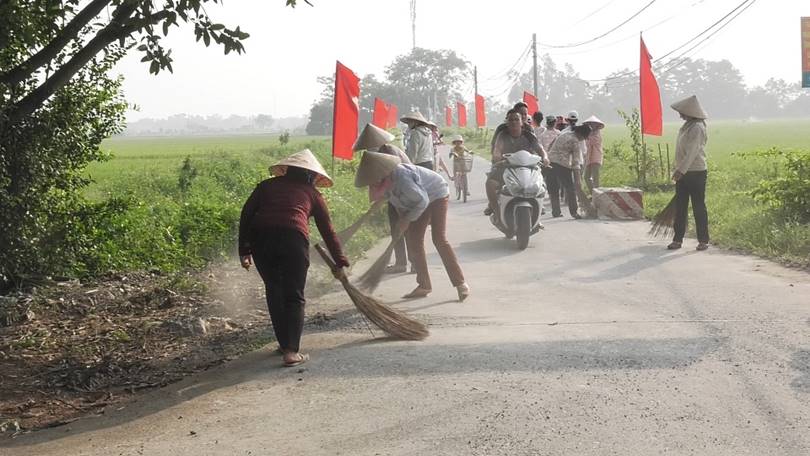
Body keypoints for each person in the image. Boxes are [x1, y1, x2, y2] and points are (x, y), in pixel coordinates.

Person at [238, 149, 348, 367]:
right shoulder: (313, 194)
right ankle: (291, 351)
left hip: (261, 239)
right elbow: (328, 232)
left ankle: (284, 344)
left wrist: (244, 250)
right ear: (311, 175)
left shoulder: (266, 186)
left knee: (274, 289)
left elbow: (246, 215)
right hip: (292, 239)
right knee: (294, 295)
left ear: (287, 170)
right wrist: (340, 260)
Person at [354, 151, 470, 302]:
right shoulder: (383, 182)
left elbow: (422, 201)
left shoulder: (402, 178)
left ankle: (461, 284)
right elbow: (397, 202)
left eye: (373, 179)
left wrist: (407, 220)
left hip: (436, 194)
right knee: (414, 242)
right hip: (418, 201)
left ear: (381, 173)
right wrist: (403, 219)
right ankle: (424, 285)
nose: (372, 183)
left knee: (439, 239)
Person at [353, 123, 412, 274]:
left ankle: (414, 263)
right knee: (395, 227)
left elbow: (392, 176)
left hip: (405, 191)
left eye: (371, 145)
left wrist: (383, 196)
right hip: (393, 192)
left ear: (379, 142)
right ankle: (401, 263)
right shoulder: (376, 154)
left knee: (407, 229)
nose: (369, 148)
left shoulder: (390, 151)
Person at [485, 108, 549, 219]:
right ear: (507, 122)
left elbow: (540, 149)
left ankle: (539, 209)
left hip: (528, 169)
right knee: (490, 183)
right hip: (506, 167)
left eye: (516, 119)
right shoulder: (502, 135)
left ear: (522, 122)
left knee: (541, 184)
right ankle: (496, 211)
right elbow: (497, 149)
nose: (514, 122)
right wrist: (497, 157)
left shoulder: (529, 135)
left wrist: (545, 158)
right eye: (511, 120)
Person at [668, 95, 710, 251]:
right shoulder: (687, 126)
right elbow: (680, 151)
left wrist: (681, 170)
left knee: (698, 206)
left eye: (682, 112)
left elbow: (692, 152)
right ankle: (677, 239)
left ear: (690, 112)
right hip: (683, 171)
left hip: (696, 172)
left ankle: (703, 240)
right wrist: (678, 169)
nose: (680, 115)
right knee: (681, 207)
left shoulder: (698, 127)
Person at [546, 125, 591, 219]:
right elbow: (576, 162)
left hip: (550, 162)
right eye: (584, 137)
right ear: (581, 135)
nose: (583, 139)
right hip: (562, 165)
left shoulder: (564, 133)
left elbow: (551, 145)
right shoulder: (575, 141)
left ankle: (556, 211)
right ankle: (574, 212)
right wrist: (578, 180)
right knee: (570, 188)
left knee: (553, 188)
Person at [582, 115, 605, 190]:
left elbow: (591, 142)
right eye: (590, 124)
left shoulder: (598, 134)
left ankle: (597, 195)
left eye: (594, 124)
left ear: (597, 125)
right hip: (589, 158)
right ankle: (593, 193)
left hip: (596, 157)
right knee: (586, 177)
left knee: (595, 178)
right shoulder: (589, 134)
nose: (592, 125)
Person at [449, 134, 473, 199]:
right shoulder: (453, 149)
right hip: (456, 163)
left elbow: (468, 151)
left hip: (463, 162)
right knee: (456, 176)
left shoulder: (463, 147)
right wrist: (452, 153)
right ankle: (457, 186)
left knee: (465, 175)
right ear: (454, 142)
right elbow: (450, 155)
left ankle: (466, 190)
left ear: (461, 142)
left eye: (459, 141)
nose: (458, 143)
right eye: (456, 142)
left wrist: (470, 152)